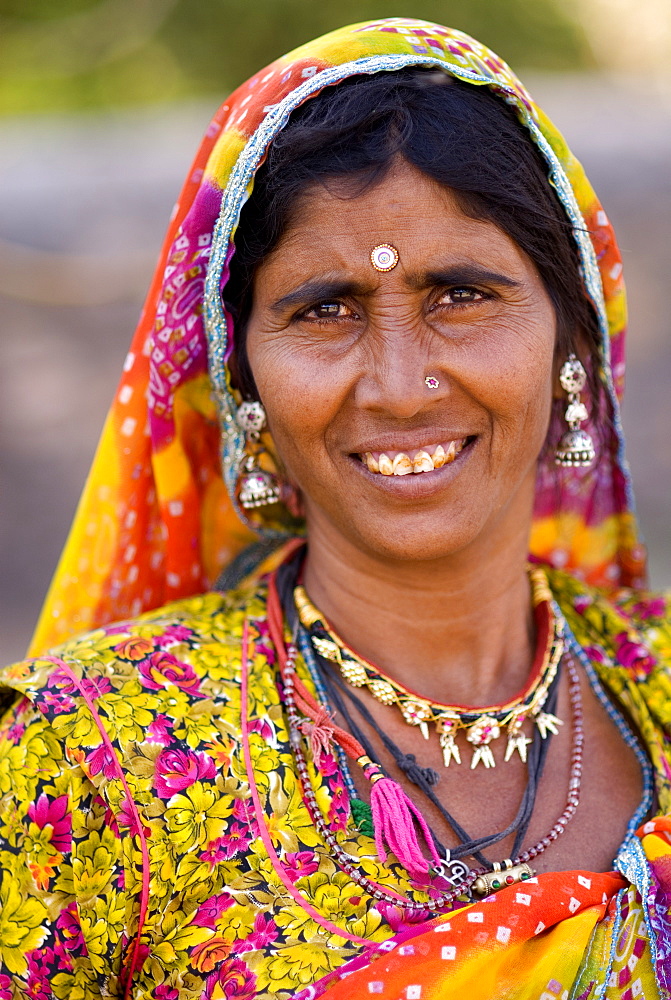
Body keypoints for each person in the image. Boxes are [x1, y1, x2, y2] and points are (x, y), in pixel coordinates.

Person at [1, 16, 670, 999]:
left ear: (571, 338)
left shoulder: (652, 691)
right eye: (325, 308)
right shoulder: (92, 749)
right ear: (241, 377)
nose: (398, 388)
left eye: (461, 294)